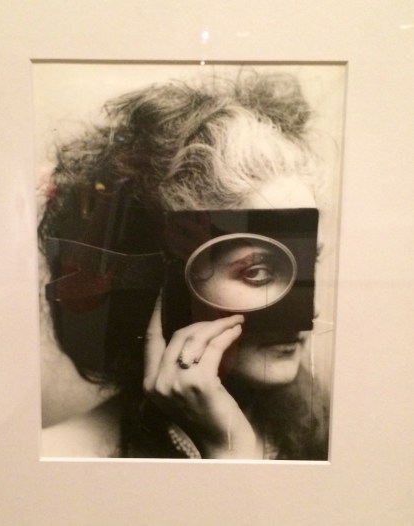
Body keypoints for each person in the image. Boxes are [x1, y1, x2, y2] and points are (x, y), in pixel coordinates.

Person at [38, 69, 330, 460]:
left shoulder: (328, 432)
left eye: (309, 264)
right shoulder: (61, 457)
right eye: (257, 273)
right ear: (159, 287)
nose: (310, 311)